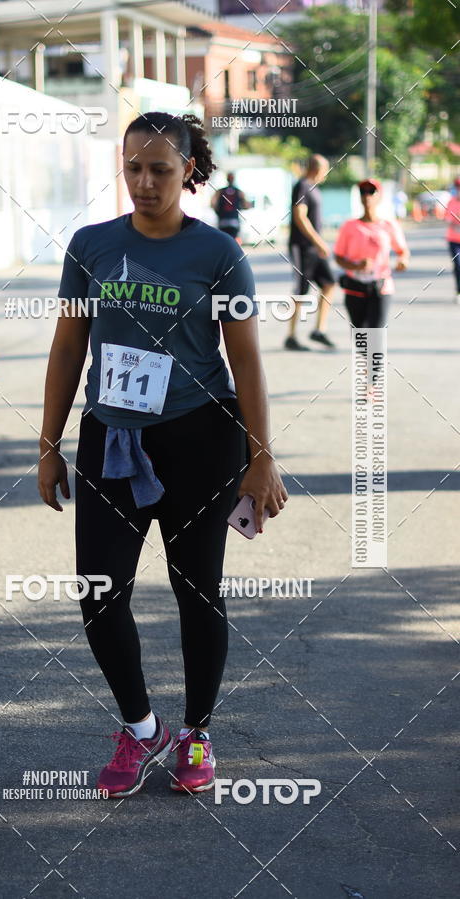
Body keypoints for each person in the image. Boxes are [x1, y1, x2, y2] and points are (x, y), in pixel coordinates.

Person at [38, 111, 288, 799]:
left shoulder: (218, 255)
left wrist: (261, 455)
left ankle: (196, 730)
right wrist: (48, 444)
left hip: (200, 439)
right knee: (99, 591)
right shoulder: (90, 246)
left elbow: (247, 360)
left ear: (188, 173)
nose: (145, 182)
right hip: (109, 438)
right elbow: (67, 347)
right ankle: (141, 724)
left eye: (160, 170)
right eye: (134, 168)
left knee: (196, 590)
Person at [334, 178, 409, 328]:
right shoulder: (349, 226)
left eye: (371, 192)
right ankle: (363, 351)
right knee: (361, 342)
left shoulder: (389, 225)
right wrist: (356, 266)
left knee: (375, 339)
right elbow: (338, 257)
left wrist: (403, 261)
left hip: (380, 287)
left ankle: (374, 351)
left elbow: (403, 251)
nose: (367, 196)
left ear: (379, 196)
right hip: (355, 288)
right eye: (363, 192)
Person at [286, 154, 336, 351]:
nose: (325, 174)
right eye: (325, 170)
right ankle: (291, 336)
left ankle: (319, 330)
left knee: (329, 283)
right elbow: (300, 217)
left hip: (313, 249)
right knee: (301, 291)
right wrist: (319, 242)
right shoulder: (302, 185)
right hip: (302, 247)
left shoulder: (314, 188)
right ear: (317, 169)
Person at [211, 172, 252, 244]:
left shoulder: (220, 191)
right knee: (233, 241)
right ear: (234, 179)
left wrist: (218, 212)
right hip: (234, 220)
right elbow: (246, 205)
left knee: (224, 241)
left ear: (227, 179)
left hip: (222, 220)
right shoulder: (239, 192)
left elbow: (213, 204)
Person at [444, 177, 460, 303]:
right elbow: (448, 220)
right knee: (458, 265)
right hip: (454, 240)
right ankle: (458, 290)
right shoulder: (451, 202)